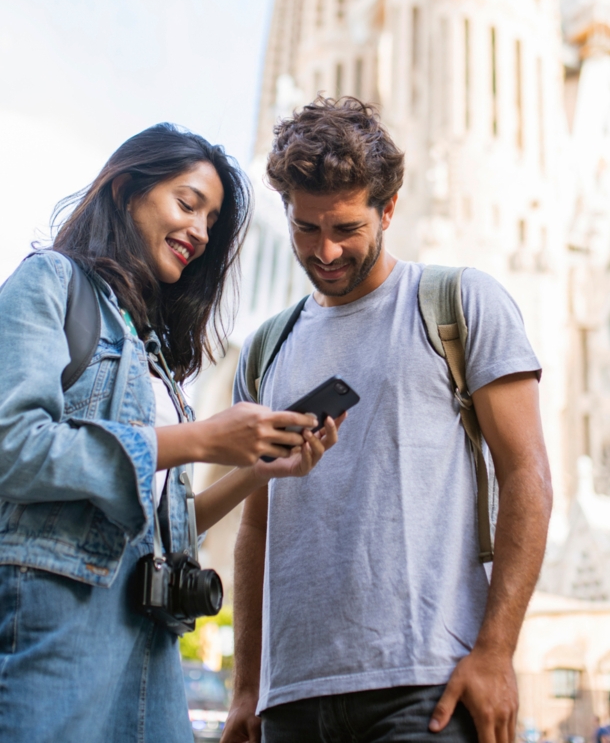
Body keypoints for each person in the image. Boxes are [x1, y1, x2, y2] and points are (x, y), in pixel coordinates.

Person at [223, 98, 553, 743]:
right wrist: (246, 688)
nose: (325, 250)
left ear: (389, 209)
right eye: (305, 229)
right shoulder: (268, 347)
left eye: (346, 228)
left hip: (426, 685)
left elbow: (527, 474)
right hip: (291, 700)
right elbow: (255, 525)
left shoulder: (458, 302)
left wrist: (496, 651)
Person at [0, 123, 342, 743]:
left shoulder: (153, 353)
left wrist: (256, 471)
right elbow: (13, 448)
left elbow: (168, 525)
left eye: (211, 221)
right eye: (188, 204)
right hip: (59, 628)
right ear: (127, 189)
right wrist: (201, 439)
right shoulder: (49, 283)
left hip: (152, 644)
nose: (200, 233)